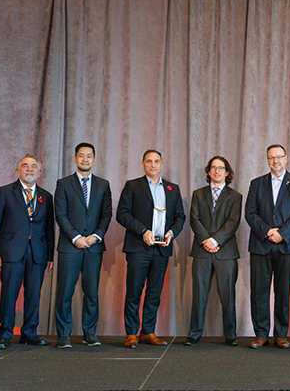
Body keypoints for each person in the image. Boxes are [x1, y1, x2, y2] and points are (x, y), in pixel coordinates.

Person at [116, 149, 185, 349]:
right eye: (149, 161)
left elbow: (180, 217)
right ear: (143, 164)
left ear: (162, 164)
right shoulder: (133, 186)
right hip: (139, 247)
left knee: (154, 293)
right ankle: (131, 333)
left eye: (156, 161)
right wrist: (142, 231)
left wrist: (171, 233)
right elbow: (122, 214)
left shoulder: (172, 189)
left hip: (162, 249)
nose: (153, 165)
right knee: (134, 291)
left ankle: (148, 331)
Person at [245, 144, 290, 349]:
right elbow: (250, 213)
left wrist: (282, 233)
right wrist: (267, 232)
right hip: (261, 244)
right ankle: (261, 334)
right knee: (259, 291)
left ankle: (281, 334)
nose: (276, 161)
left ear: (286, 158)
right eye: (271, 158)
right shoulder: (256, 184)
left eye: (279, 157)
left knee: (283, 292)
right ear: (267, 160)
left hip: (289, 246)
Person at [0, 154, 55, 350]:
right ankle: (5, 334)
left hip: (38, 254)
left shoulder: (46, 196)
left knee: (33, 295)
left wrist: (50, 256)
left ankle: (29, 333)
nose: (29, 169)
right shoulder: (4, 193)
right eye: (25, 166)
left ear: (39, 172)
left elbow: (49, 229)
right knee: (9, 294)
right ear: (17, 171)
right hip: (12, 253)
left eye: (33, 166)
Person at [54, 142, 113, 349]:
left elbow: (107, 214)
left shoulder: (103, 184)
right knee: (65, 292)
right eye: (81, 156)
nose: (85, 159)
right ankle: (63, 335)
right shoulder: (63, 183)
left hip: (94, 247)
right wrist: (76, 237)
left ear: (94, 160)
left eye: (89, 156)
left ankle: (90, 333)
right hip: (70, 246)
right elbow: (60, 214)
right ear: (75, 159)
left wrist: (96, 236)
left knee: (91, 292)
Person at [185, 156, 242, 347]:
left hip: (225, 252)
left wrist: (216, 240)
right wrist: (206, 241)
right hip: (202, 251)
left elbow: (233, 222)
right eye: (213, 168)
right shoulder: (198, 194)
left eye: (221, 168)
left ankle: (231, 334)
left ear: (227, 172)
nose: (217, 171)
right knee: (199, 295)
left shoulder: (235, 197)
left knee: (228, 296)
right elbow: (194, 219)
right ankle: (194, 334)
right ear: (208, 172)